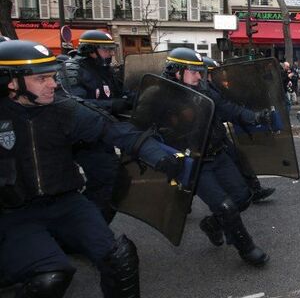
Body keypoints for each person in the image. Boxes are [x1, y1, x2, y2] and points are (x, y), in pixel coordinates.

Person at [0, 40, 184, 297]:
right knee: (50, 277)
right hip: (15, 214)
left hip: (66, 203)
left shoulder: (64, 109)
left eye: (52, 77)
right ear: (11, 82)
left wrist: (158, 156)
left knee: (120, 257)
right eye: (42, 79)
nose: (53, 84)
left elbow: (114, 130)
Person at [163, 48, 270, 266]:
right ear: (177, 72)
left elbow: (227, 108)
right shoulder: (161, 96)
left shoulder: (204, 90)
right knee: (225, 206)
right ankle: (246, 248)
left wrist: (254, 117)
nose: (199, 76)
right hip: (195, 163)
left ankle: (212, 225)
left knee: (242, 197)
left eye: (199, 71)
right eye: (193, 72)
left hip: (218, 154)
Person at [59, 30, 130, 223]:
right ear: (91, 50)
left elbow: (118, 94)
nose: (110, 54)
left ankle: (91, 226)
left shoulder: (105, 71)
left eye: (111, 49)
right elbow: (74, 104)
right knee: (108, 180)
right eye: (106, 49)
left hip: (102, 135)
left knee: (112, 181)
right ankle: (83, 224)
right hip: (82, 140)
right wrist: (112, 105)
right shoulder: (72, 70)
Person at [202, 56, 275, 203]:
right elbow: (229, 109)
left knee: (238, 158)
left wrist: (251, 116)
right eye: (212, 73)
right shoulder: (207, 91)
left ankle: (254, 190)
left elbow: (229, 109)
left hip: (215, 135)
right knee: (197, 174)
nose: (216, 76)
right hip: (203, 139)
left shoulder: (213, 88)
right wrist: (254, 117)